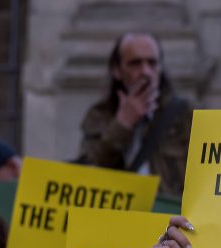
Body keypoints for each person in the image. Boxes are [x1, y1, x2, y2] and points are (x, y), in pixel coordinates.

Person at [79, 33, 193, 199]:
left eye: (152, 63)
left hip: (168, 217)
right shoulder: (99, 116)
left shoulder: (183, 114)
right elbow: (87, 174)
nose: (145, 71)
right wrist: (122, 124)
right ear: (117, 70)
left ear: (160, 68)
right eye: (135, 63)